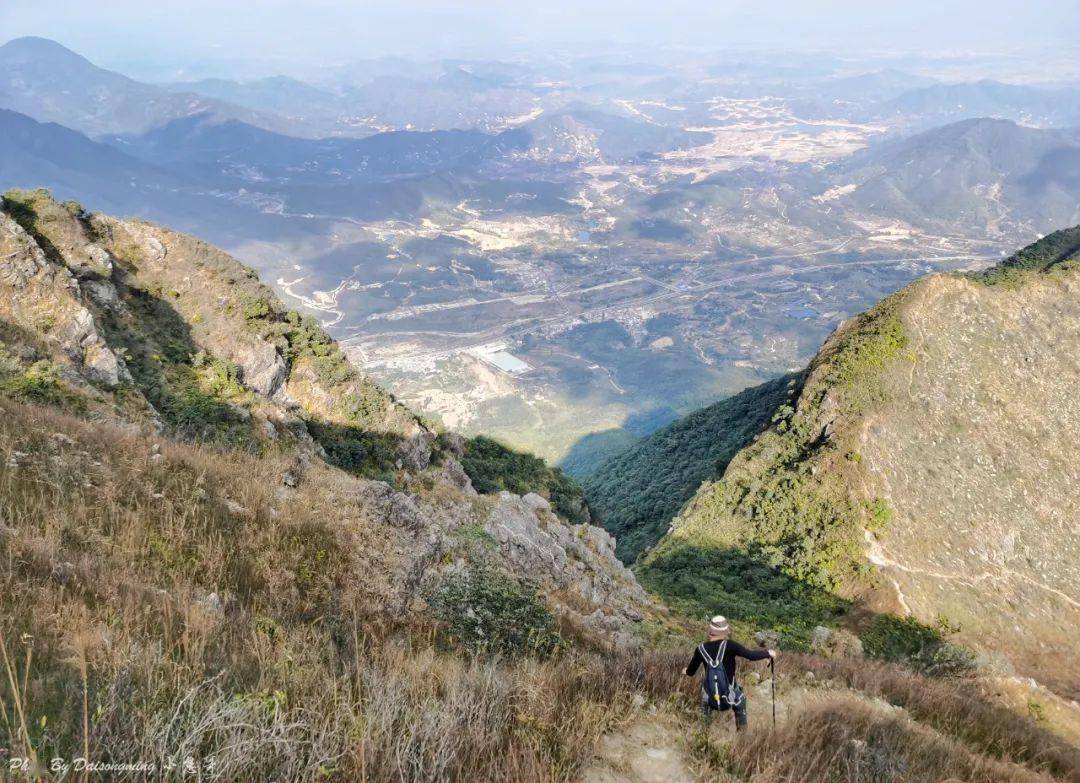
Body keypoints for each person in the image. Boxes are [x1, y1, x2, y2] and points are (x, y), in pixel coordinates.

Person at [684, 615, 776, 731]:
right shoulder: (730, 645)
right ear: (725, 631)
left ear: (710, 630)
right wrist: (768, 653)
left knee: (704, 697)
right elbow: (751, 656)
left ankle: (704, 732)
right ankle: (742, 737)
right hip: (729, 695)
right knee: (740, 700)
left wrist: (685, 671)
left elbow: (691, 672)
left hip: (710, 696)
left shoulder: (700, 649)